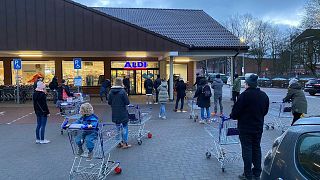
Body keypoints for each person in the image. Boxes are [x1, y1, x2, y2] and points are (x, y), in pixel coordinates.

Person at [230, 74, 269, 180]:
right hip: (258, 127)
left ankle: (247, 174)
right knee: (257, 148)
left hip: (245, 128)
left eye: (245, 84)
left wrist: (233, 116)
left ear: (248, 84)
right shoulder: (264, 95)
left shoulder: (244, 96)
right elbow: (265, 111)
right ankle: (257, 172)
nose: (244, 86)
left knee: (247, 150)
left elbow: (235, 113)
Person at [108, 77, 131, 149]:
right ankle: (125, 143)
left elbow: (109, 102)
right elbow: (127, 102)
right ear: (121, 83)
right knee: (125, 127)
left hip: (115, 112)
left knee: (117, 128)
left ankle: (119, 142)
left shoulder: (111, 91)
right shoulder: (123, 91)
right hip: (123, 112)